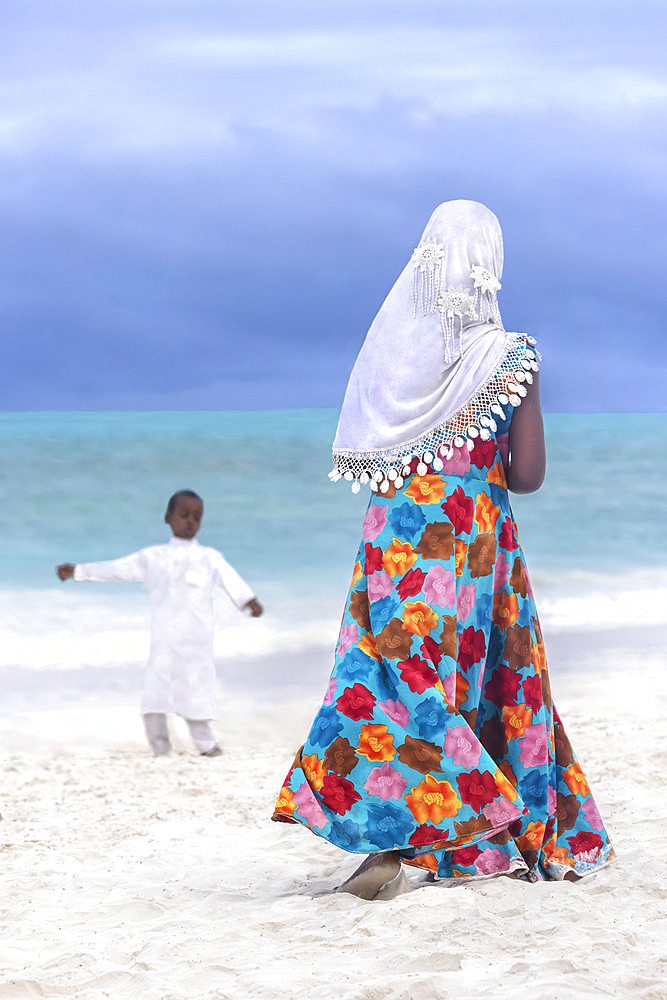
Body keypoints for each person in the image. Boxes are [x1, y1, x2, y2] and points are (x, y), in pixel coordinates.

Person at [272, 200, 614, 897]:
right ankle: (473, 832)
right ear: (488, 266)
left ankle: (394, 843)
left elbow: (370, 455)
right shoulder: (509, 355)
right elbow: (527, 476)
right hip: (473, 539)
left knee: (389, 682)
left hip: (395, 539)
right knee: (486, 682)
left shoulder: (393, 357)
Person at [57, 490, 263, 757]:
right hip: (165, 641)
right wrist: (78, 571)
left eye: (197, 517)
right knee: (155, 697)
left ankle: (206, 745)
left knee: (197, 694)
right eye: (184, 515)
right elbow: (117, 569)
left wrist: (249, 601)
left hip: (197, 642)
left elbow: (231, 580)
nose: (190, 521)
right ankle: (160, 749)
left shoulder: (210, 557)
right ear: (168, 518)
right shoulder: (152, 557)